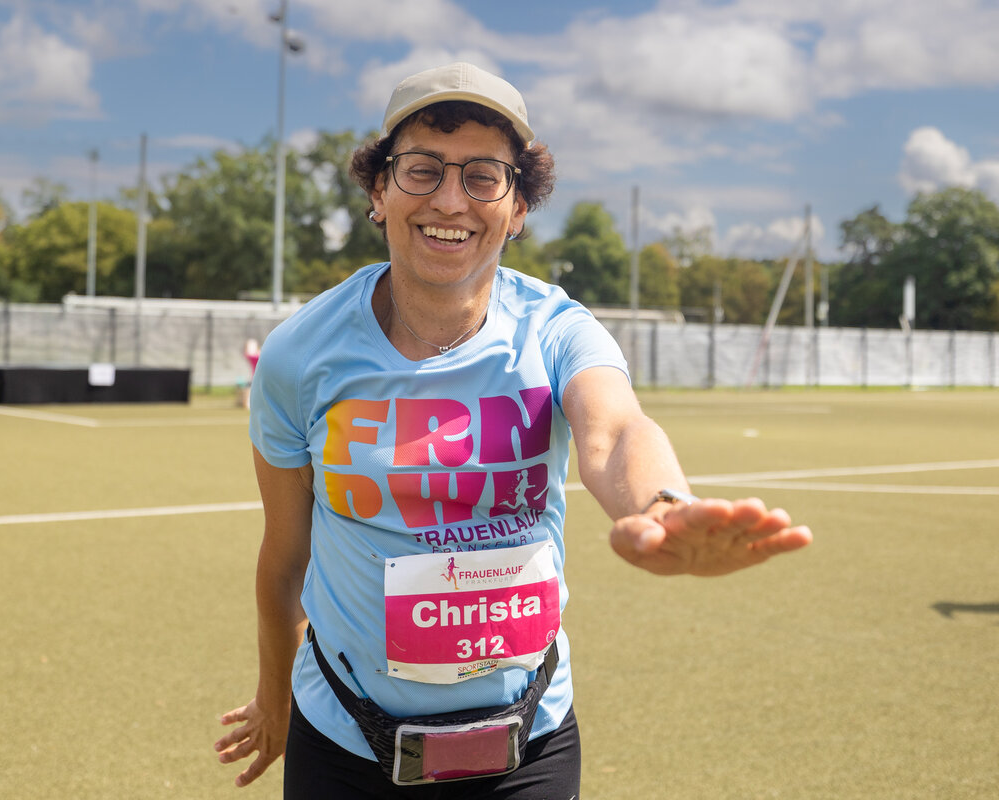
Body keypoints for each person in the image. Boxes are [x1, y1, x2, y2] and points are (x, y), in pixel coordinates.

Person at [214, 61, 812, 798]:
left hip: (529, 744)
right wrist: (276, 697)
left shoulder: (556, 329)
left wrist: (662, 507)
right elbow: (284, 563)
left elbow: (615, 430)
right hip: (342, 741)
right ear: (379, 192)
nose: (450, 200)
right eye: (422, 170)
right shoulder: (299, 354)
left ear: (518, 207)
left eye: (483, 177)